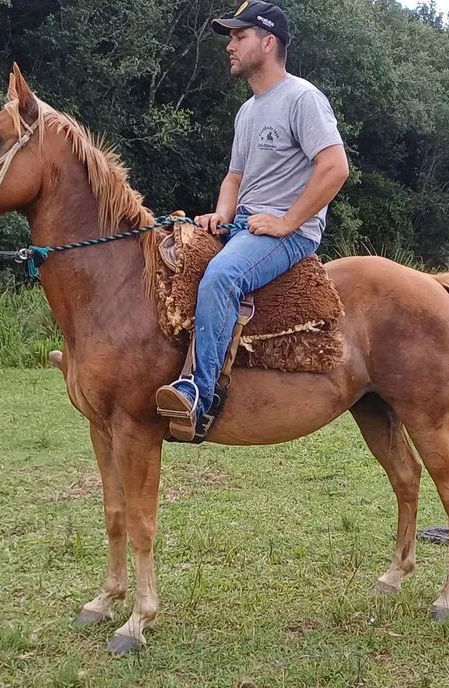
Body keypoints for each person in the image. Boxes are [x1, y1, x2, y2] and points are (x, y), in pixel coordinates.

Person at [155, 1, 349, 440]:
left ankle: (199, 394)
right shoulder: (248, 111)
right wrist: (222, 215)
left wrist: (288, 222)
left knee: (222, 276)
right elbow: (235, 178)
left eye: (239, 36)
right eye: (230, 37)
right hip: (244, 225)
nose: (230, 45)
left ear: (268, 42)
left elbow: (335, 167)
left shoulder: (302, 98)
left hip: (287, 234)